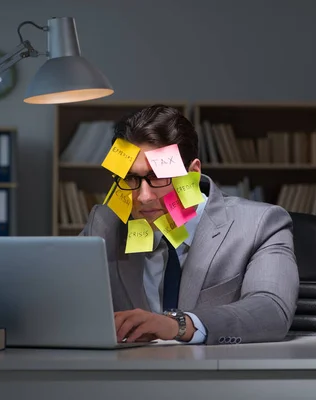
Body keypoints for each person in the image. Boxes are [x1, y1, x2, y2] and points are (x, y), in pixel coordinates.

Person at [80, 104, 299, 345]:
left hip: (217, 376)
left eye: (159, 177)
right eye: (131, 178)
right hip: (131, 376)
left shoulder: (260, 225)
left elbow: (271, 310)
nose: (143, 197)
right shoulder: (105, 225)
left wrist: (178, 324)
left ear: (193, 173)